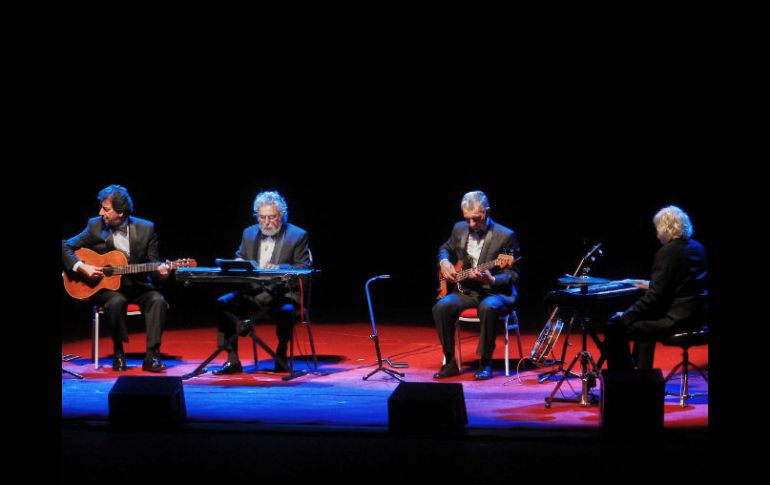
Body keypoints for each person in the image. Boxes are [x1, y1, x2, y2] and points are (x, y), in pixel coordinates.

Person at [62, 185, 171, 372]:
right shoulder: (94, 225)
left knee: (158, 300)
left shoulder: (146, 229)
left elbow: (154, 266)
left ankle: (152, 356)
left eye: (106, 209)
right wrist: (82, 267)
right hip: (108, 290)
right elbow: (64, 246)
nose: (100, 212)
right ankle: (118, 352)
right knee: (116, 302)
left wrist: (162, 272)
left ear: (121, 212)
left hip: (137, 285)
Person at [212, 190, 312, 375]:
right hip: (253, 292)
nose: (266, 222)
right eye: (262, 217)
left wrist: (279, 268)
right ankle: (232, 359)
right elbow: (240, 256)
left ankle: (281, 354)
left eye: (271, 217)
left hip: (283, 294)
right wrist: (238, 263)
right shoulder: (248, 233)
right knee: (223, 303)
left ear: (281, 216)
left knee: (286, 311)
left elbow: (303, 270)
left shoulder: (298, 235)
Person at [604, 205, 708, 371]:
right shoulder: (697, 248)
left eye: (657, 229)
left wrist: (625, 316)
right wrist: (649, 283)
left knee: (615, 326)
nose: (657, 234)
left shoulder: (667, 252)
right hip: (698, 319)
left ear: (665, 228)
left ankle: (625, 381)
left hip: (676, 321)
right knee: (644, 321)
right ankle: (642, 376)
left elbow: (654, 297)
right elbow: (682, 282)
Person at [432, 190, 522, 380]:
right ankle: (449, 362)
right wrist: (444, 262)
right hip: (467, 291)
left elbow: (513, 273)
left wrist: (493, 280)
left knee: (487, 308)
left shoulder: (506, 236)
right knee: (441, 307)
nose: (472, 224)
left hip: (495, 292)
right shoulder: (459, 229)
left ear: (487, 212)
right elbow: (444, 248)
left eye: (476, 218)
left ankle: (485, 362)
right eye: (467, 219)